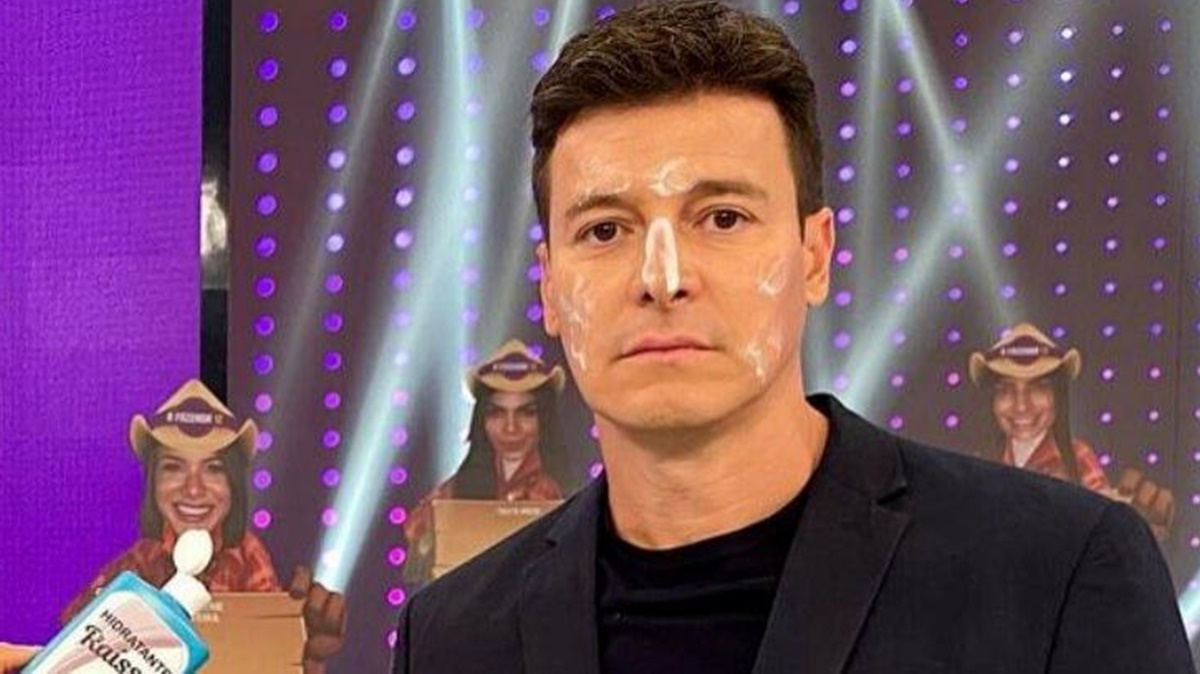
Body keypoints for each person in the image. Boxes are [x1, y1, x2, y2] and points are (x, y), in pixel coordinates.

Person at [392, 2, 1193, 672]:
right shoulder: (451, 634)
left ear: (814, 255)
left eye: (722, 218)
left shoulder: (1058, 569)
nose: (662, 277)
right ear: (549, 286)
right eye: (605, 229)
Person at [61, 379, 346, 673]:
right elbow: (68, 643)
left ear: (233, 484)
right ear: (153, 483)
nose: (194, 489)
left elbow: (269, 658)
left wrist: (304, 652)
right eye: (173, 467)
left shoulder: (250, 558)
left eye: (213, 469)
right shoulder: (138, 563)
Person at [970, 322, 1175, 540]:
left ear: (1058, 395)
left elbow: (1100, 517)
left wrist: (1131, 521)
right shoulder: (979, 466)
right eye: (1005, 390)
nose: (1021, 406)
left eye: (1038, 387)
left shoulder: (1078, 458)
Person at [403, 339, 570, 582]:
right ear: (481, 421)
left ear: (544, 421)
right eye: (497, 413)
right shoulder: (453, 490)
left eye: (526, 413)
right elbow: (417, 542)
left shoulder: (560, 493)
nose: (510, 428)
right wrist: (426, 534)